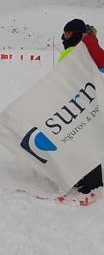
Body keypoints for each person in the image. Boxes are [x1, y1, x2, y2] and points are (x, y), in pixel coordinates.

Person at [59, 19, 104, 194]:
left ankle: (93, 181)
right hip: (75, 100)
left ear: (76, 33)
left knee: (85, 141)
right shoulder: (81, 49)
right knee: (76, 141)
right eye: (64, 32)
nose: (64, 36)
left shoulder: (81, 50)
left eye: (68, 33)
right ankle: (84, 177)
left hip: (83, 101)